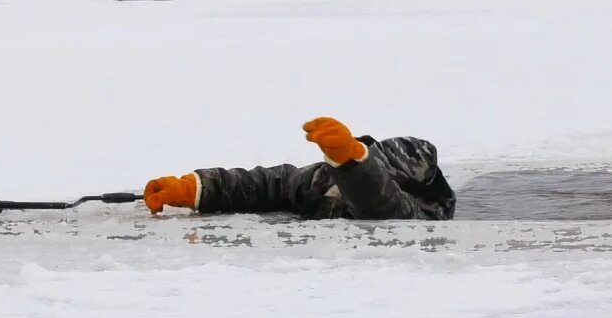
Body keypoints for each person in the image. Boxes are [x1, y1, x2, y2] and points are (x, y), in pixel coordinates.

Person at [143, 117, 455, 220]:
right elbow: (271, 184)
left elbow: (383, 205)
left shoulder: (421, 217)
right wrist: (194, 189)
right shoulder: (324, 180)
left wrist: (352, 163)